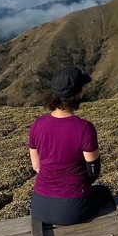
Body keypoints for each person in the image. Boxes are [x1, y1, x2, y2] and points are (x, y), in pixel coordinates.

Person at [28, 67, 112, 225]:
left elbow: (36, 166)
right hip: (73, 209)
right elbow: (93, 171)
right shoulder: (84, 128)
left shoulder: (37, 125)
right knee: (104, 192)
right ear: (78, 93)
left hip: (39, 206)